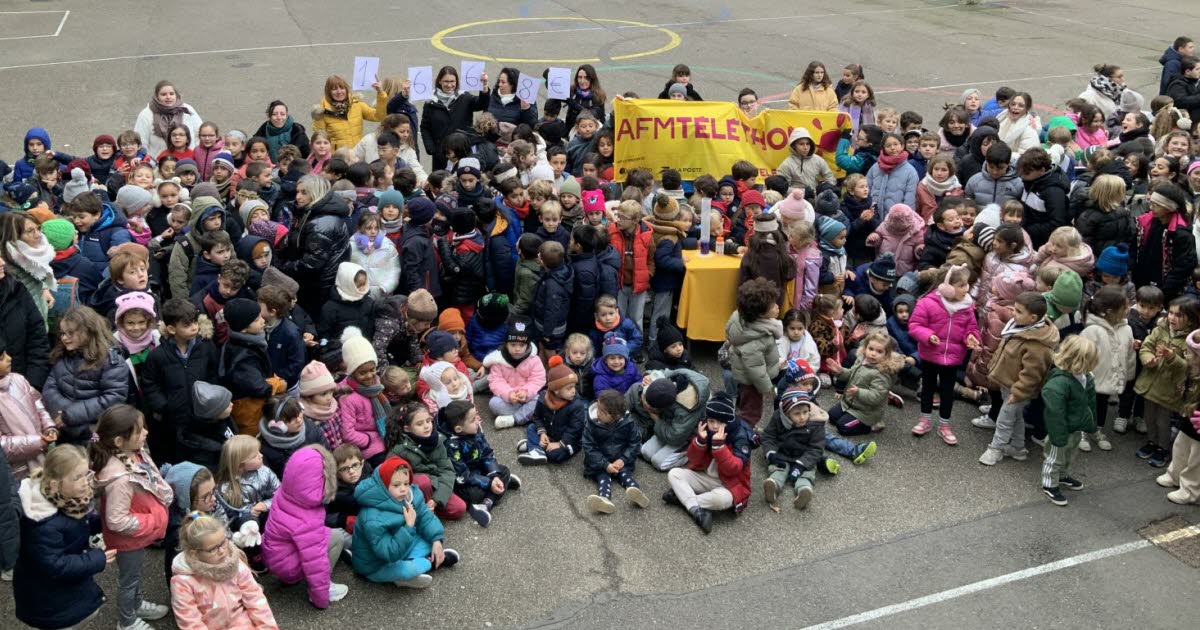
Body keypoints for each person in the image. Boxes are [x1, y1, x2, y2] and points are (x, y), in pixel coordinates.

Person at [90, 404, 174, 630]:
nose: (146, 432)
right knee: (129, 581)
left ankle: (136, 605)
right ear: (119, 441)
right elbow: (116, 520)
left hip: (136, 536)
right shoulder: (120, 479)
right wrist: (153, 521)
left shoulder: (134, 453)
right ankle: (126, 621)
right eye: (139, 430)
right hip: (128, 540)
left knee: (134, 576)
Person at [13, 445, 113, 630]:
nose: (86, 482)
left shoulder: (67, 500)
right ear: (54, 484)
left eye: (86, 474)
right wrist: (97, 558)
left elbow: (78, 523)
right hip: (47, 599)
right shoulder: (42, 523)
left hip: (60, 590)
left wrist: (101, 521)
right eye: (77, 477)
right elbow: (55, 564)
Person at [351, 455, 458, 589]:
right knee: (409, 570)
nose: (403, 489)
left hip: (401, 543)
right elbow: (388, 553)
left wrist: (436, 539)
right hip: (377, 564)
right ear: (383, 485)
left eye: (406, 483)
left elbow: (425, 516)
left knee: (429, 541)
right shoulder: (372, 517)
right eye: (396, 485)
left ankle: (419, 564)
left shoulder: (409, 495)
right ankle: (427, 563)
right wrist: (408, 526)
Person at [262, 444, 349, 608]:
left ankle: (288, 580)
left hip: (274, 558)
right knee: (336, 537)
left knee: (308, 540)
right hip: (287, 566)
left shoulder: (285, 493)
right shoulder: (307, 519)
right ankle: (324, 588)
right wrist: (320, 599)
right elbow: (315, 561)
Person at [909, 265, 980, 445]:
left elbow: (971, 328)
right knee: (928, 388)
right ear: (946, 286)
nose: (967, 289)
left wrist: (971, 337)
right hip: (930, 354)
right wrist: (927, 335)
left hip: (954, 357)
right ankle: (925, 420)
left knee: (948, 391)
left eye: (967, 285)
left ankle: (944, 425)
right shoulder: (927, 303)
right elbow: (915, 325)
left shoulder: (967, 306)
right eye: (962, 285)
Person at [664, 393, 753, 534]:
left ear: (728, 422)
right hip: (704, 477)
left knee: (721, 500)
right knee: (674, 473)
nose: (715, 426)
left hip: (728, 485)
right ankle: (696, 509)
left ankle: (685, 500)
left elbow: (734, 469)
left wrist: (719, 447)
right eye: (711, 421)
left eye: (720, 422)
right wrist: (699, 441)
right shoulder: (706, 430)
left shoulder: (740, 437)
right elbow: (693, 460)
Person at [170, 513, 279, 629]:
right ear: (194, 553)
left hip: (242, 624)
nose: (222, 551)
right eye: (213, 549)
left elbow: (255, 599)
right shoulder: (182, 582)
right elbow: (190, 623)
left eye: (223, 542)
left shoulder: (235, 563)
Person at [42, 306, 129, 445]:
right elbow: (49, 389)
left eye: (70, 333)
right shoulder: (62, 355)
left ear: (88, 331)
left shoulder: (110, 360)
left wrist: (71, 415)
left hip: (94, 433)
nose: (65, 338)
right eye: (62, 333)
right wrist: (65, 415)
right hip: (65, 430)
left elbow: (114, 397)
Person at [1135, 296, 1200, 467]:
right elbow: (1146, 346)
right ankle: (1151, 441)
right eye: (1170, 313)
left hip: (1169, 389)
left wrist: (1172, 357)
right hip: (1150, 383)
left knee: (1163, 420)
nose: (1172, 318)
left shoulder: (1191, 341)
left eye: (1178, 315)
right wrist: (1147, 358)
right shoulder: (1160, 329)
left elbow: (1188, 368)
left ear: (1191, 318)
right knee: (1149, 417)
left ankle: (1163, 448)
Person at [278, 174, 350, 316]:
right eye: (297, 192)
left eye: (304, 192)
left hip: (319, 287)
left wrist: (284, 268)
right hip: (315, 284)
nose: (298, 197)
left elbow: (312, 263)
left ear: (316, 193)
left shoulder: (320, 223)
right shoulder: (310, 214)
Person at [1040, 336, 1100, 507]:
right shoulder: (1059, 384)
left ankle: (1062, 476)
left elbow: (1090, 401)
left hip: (1076, 426)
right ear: (1079, 360)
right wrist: (1058, 436)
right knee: (1054, 457)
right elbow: (1054, 413)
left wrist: (1091, 422)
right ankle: (1049, 484)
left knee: (1070, 454)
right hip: (1060, 429)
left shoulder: (1086, 377)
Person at [444, 400, 522, 525]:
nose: (478, 420)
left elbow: (487, 453)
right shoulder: (451, 444)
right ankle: (490, 498)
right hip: (463, 481)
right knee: (475, 494)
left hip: (479, 471)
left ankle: (493, 494)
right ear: (459, 429)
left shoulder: (475, 430)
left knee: (504, 470)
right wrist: (489, 483)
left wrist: (494, 476)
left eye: (477, 415)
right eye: (473, 419)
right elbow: (462, 475)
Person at [725, 278, 784, 428]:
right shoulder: (754, 340)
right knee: (752, 412)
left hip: (746, 375)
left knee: (746, 403)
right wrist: (767, 388)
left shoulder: (744, 319)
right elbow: (756, 370)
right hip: (752, 382)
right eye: (772, 306)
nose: (777, 306)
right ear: (760, 313)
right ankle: (743, 433)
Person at [632, 369, 709, 471]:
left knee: (658, 462)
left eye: (652, 406)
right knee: (646, 452)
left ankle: (688, 452)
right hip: (669, 421)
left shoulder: (686, 408)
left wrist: (653, 415)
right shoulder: (672, 378)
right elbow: (662, 371)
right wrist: (648, 375)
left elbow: (674, 437)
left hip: (686, 433)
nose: (648, 406)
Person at [762, 387, 826, 510]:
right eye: (797, 413)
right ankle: (773, 486)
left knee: (806, 474)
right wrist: (771, 453)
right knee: (778, 469)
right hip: (783, 454)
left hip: (804, 457)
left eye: (805, 412)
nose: (802, 417)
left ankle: (803, 491)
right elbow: (768, 436)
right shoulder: (778, 418)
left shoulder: (816, 424)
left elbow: (816, 448)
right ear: (786, 413)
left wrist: (801, 465)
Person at [517, 355, 586, 465]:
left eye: (574, 386)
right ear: (556, 390)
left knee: (554, 456)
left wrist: (560, 444)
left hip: (568, 440)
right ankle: (536, 449)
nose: (573, 391)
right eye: (569, 388)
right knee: (531, 427)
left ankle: (534, 446)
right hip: (550, 433)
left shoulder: (576, 405)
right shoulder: (543, 399)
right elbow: (537, 417)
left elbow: (575, 429)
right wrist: (543, 433)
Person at [421, 66, 490, 172]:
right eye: (446, 81)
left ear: (457, 81)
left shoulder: (464, 97)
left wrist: (484, 86)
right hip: (441, 155)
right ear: (439, 81)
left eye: (452, 81)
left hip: (462, 153)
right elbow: (425, 127)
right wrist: (431, 149)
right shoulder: (430, 102)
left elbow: (482, 104)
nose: (449, 85)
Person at [484, 316, 546, 429]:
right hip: (509, 400)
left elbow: (538, 379)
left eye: (521, 345)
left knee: (541, 399)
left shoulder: (534, 360)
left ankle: (514, 419)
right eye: (513, 345)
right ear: (506, 344)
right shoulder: (499, 360)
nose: (517, 349)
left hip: (529, 397)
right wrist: (509, 394)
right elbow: (496, 381)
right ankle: (527, 415)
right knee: (493, 403)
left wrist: (526, 392)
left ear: (527, 345)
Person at [312, 75, 387, 150]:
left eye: (342, 88)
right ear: (329, 92)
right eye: (334, 89)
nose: (339, 91)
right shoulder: (322, 112)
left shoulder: (356, 104)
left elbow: (378, 116)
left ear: (346, 89)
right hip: (338, 158)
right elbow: (320, 138)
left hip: (358, 155)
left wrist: (380, 93)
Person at [134, 80, 202, 158]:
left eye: (171, 94)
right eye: (163, 94)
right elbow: (141, 142)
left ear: (176, 95)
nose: (168, 97)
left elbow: (199, 134)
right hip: (158, 163)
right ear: (157, 96)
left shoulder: (186, 110)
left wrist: (197, 156)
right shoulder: (146, 115)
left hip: (186, 162)